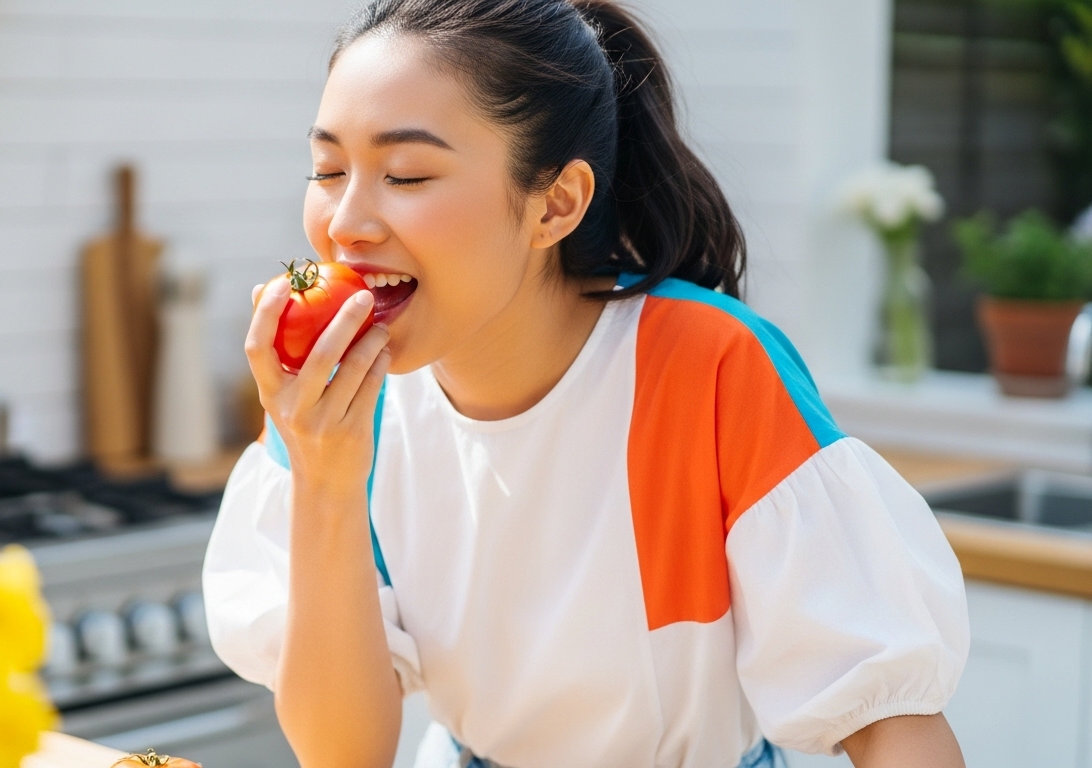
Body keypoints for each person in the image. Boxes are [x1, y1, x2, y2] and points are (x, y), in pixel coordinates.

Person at [202, 1, 970, 766]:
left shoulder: (710, 365)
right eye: (329, 169)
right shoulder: (336, 403)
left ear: (556, 203)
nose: (344, 224)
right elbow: (345, 755)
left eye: (405, 174)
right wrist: (326, 480)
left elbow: (890, 719)